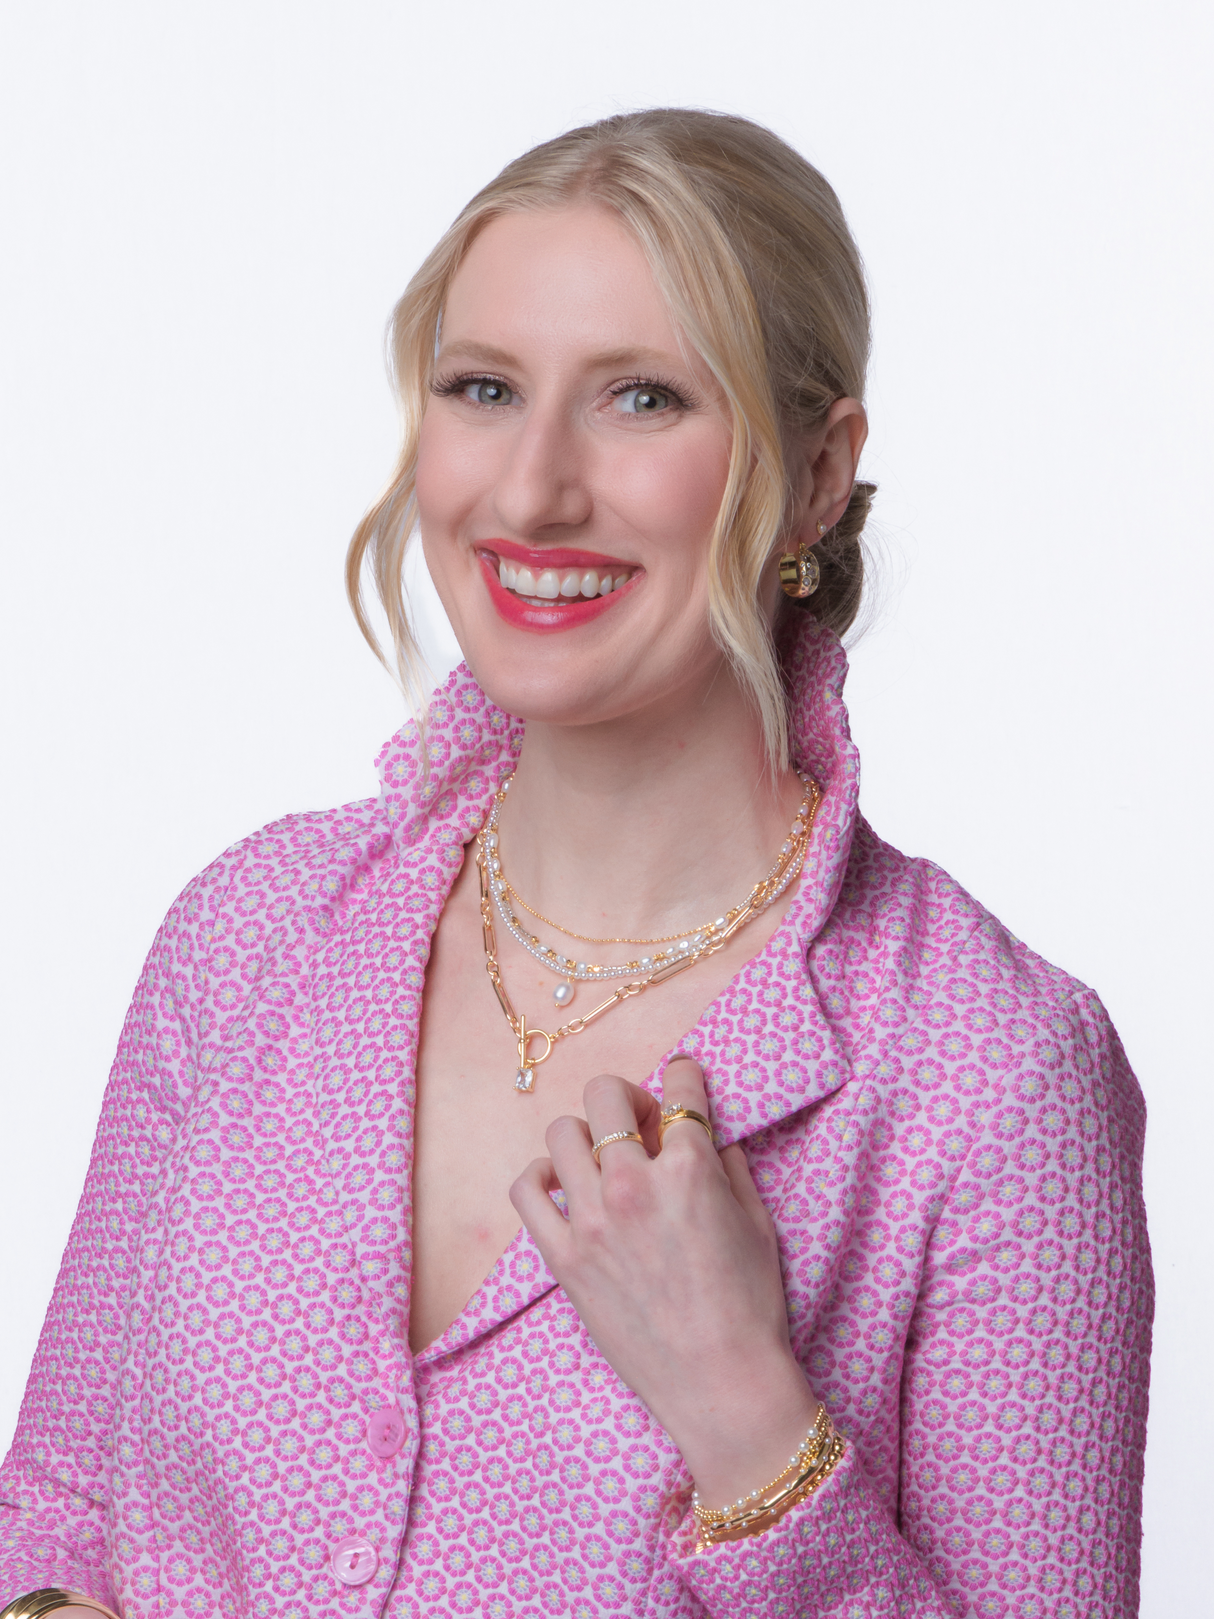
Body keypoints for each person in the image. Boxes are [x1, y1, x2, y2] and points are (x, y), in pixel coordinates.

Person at [0, 109, 1151, 1619]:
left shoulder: (991, 1074)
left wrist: (749, 1422)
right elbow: (56, 1519)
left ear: (816, 475)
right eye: (483, 388)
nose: (531, 491)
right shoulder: (249, 930)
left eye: (640, 399)